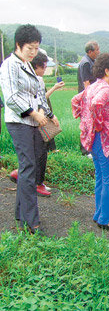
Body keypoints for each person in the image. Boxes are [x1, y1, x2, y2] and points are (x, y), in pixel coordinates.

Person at [0, 24, 59, 234]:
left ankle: (20, 213)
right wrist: (34, 113)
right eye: (30, 48)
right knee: (28, 168)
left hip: (33, 122)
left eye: (36, 48)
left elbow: (38, 95)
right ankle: (31, 222)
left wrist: (48, 114)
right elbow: (12, 97)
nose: (33, 53)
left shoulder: (27, 65)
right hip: (19, 122)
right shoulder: (10, 65)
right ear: (18, 45)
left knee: (28, 168)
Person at [72, 53, 109, 231]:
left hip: (92, 139)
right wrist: (98, 123)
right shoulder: (106, 89)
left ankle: (99, 213)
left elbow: (75, 100)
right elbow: (95, 105)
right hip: (105, 139)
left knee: (100, 176)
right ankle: (106, 219)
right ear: (107, 70)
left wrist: (85, 121)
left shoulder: (92, 86)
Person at [9, 51, 65, 196]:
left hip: (31, 119)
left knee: (33, 152)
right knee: (40, 153)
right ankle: (36, 183)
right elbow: (41, 100)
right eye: (44, 67)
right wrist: (50, 115)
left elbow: (40, 98)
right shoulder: (35, 78)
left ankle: (26, 177)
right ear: (37, 66)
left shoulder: (32, 77)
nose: (45, 70)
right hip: (34, 120)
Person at [77, 41, 100, 157]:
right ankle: (85, 151)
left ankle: (89, 148)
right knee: (86, 124)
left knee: (91, 124)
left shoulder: (91, 61)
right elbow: (86, 82)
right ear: (90, 51)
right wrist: (90, 99)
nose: (98, 52)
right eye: (97, 50)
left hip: (90, 96)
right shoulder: (85, 63)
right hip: (86, 98)